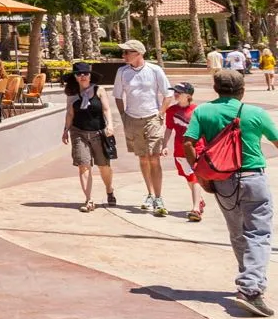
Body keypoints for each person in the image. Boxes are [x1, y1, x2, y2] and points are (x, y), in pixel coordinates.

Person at [184, 69, 278, 317]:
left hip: (222, 180)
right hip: (253, 177)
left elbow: (188, 143)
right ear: (242, 89)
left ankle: (250, 281)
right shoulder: (255, 113)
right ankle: (250, 289)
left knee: (237, 233)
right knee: (258, 233)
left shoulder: (202, 111)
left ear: (216, 89)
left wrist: (201, 175)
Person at [113, 39, 173, 216]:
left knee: (154, 158)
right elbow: (118, 95)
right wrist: (123, 115)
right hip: (132, 119)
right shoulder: (122, 72)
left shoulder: (154, 70)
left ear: (138, 53)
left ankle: (159, 197)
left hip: (152, 118)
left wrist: (161, 113)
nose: (123, 56)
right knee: (143, 159)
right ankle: (149, 194)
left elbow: (167, 94)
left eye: (126, 52)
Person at [62, 62, 116, 212]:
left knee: (104, 166)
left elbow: (106, 109)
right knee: (83, 165)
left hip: (98, 132)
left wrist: (110, 125)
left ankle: (109, 190)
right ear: (75, 77)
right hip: (78, 132)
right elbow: (70, 113)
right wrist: (65, 130)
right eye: (79, 74)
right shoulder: (72, 94)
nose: (83, 76)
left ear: (90, 75)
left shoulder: (99, 90)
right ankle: (89, 200)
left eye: (85, 73)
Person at [162, 82, 205, 221]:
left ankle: (196, 209)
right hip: (179, 150)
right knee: (189, 177)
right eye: (174, 91)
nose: (175, 94)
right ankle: (199, 200)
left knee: (194, 177)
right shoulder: (171, 111)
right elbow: (169, 128)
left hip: (196, 149)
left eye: (178, 92)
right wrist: (164, 145)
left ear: (188, 95)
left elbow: (205, 131)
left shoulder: (198, 111)